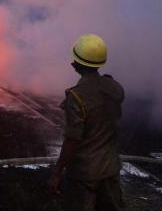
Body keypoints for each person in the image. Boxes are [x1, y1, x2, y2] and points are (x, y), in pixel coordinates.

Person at [48, 34, 125, 211]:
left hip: (84, 174)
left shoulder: (76, 97)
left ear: (76, 65)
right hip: (110, 168)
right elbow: (105, 102)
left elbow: (72, 141)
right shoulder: (115, 87)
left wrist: (57, 173)